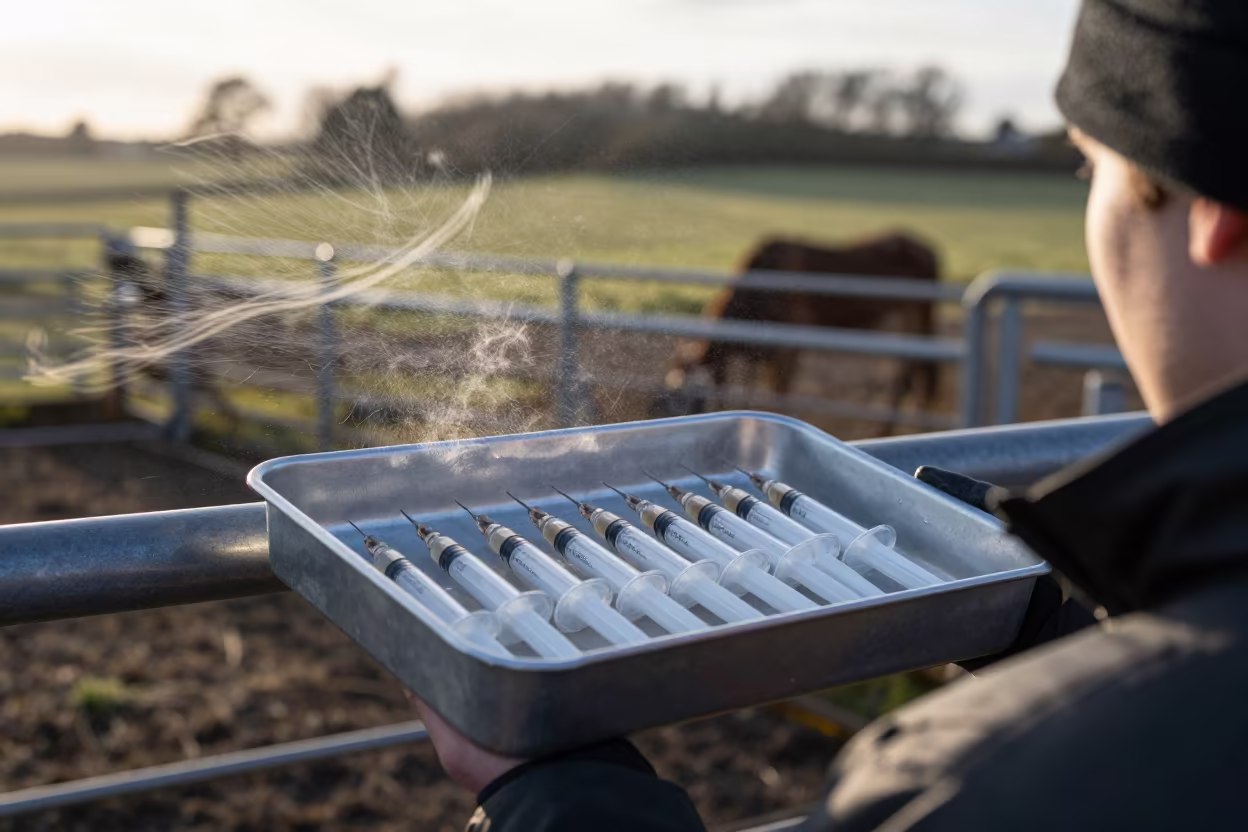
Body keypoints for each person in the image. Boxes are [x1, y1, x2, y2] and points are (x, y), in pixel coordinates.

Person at [409, 0, 1248, 827]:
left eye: (1089, 168)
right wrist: (1040, 630)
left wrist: (560, 798)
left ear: (1214, 214)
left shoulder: (956, 787)